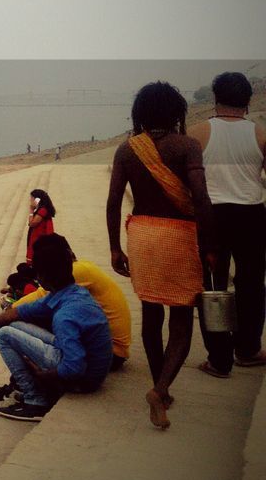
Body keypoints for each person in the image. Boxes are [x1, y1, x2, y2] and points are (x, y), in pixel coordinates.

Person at [107, 80, 214, 429]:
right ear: (176, 113)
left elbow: (113, 202)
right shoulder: (187, 146)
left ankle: (159, 389)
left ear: (140, 114)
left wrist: (114, 247)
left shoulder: (127, 150)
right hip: (178, 237)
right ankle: (161, 388)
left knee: (151, 316)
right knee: (181, 320)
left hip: (141, 235)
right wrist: (209, 243)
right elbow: (199, 195)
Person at [0, 234, 113, 422]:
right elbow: (22, 312)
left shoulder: (65, 317)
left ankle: (35, 400)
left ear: (44, 276)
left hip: (85, 380)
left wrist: (44, 377)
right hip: (89, 365)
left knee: (5, 335)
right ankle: (28, 389)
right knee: (14, 325)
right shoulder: (70, 292)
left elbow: (74, 367)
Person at [189, 71, 266, 375]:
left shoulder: (197, 133)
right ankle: (247, 349)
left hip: (211, 216)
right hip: (251, 215)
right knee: (251, 285)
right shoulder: (260, 134)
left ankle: (218, 359)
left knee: (211, 286)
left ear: (215, 99)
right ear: (248, 101)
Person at [13, 249, 132, 371]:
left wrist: (11, 309)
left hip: (111, 352)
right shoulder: (84, 266)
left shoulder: (76, 272)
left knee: (19, 326)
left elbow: (42, 296)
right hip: (112, 348)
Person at [26, 189, 56, 263]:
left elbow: (32, 223)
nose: (30, 200)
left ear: (37, 199)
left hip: (39, 237)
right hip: (38, 236)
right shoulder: (42, 209)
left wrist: (31, 211)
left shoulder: (42, 210)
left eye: (32, 198)